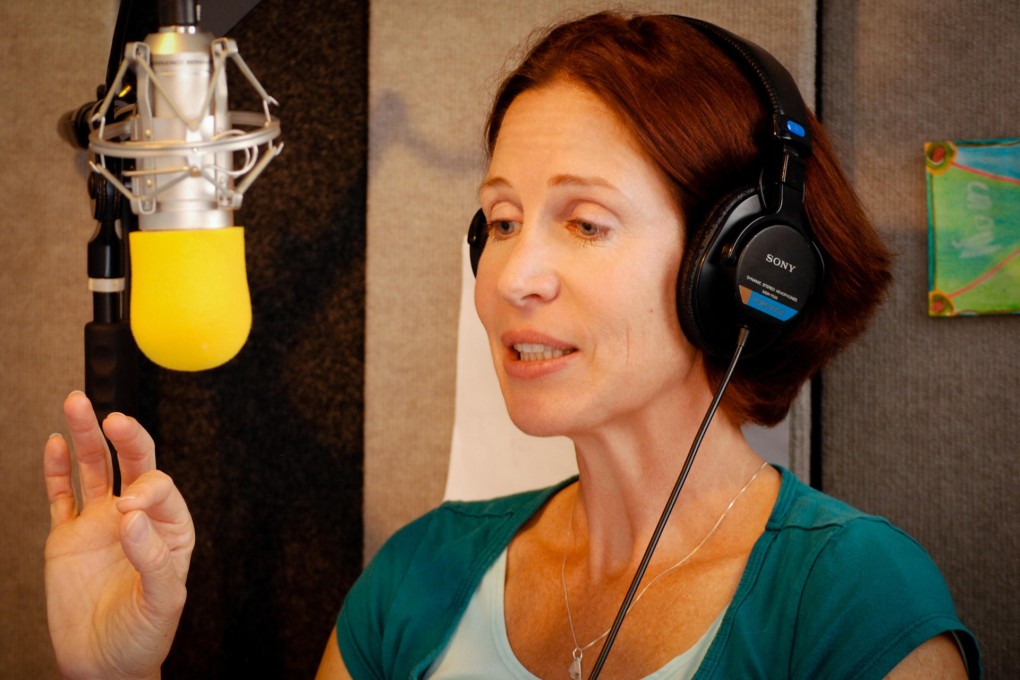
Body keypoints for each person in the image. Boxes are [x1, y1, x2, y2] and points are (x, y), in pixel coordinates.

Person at [44, 11, 980, 679]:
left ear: (741, 264)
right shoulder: (416, 576)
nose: (508, 277)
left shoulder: (855, 603)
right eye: (499, 220)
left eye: (584, 224)